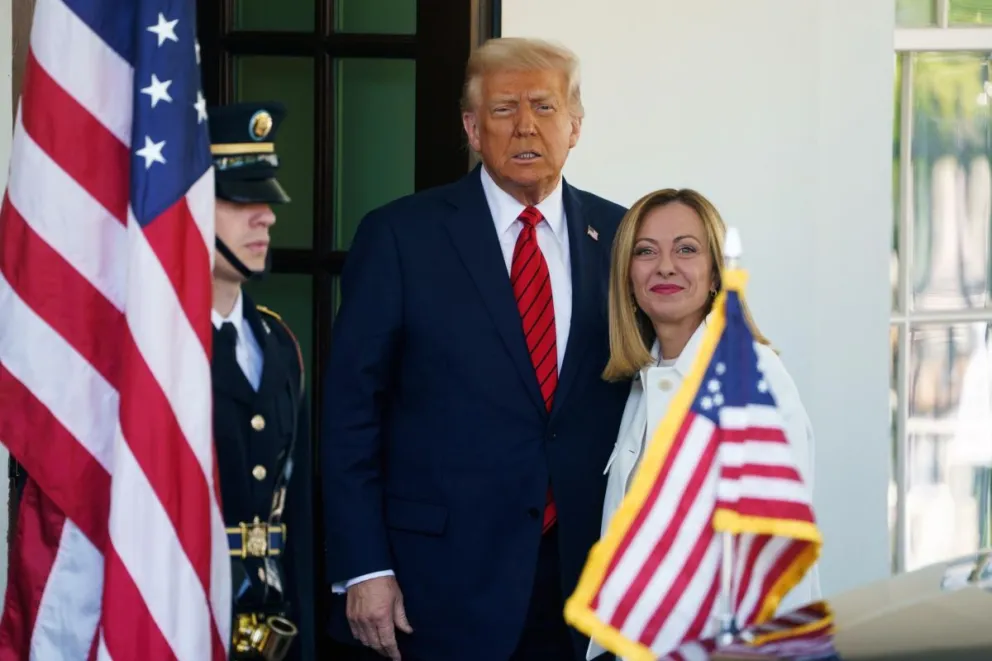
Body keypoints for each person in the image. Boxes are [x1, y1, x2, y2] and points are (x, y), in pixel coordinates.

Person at [321, 37, 630, 661]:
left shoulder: (623, 237)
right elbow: (349, 414)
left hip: (583, 582)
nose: (524, 126)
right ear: (470, 127)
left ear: (575, 127)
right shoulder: (400, 236)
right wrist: (363, 568)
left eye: (544, 107)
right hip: (435, 583)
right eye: (502, 109)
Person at [589, 188, 820, 660]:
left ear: (716, 272)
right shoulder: (642, 384)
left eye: (686, 249)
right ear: (628, 276)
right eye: (645, 251)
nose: (665, 266)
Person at [207, 101, 315, 661]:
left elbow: (296, 509)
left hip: (267, 630)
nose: (266, 217)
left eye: (266, 201)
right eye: (241, 200)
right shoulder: (156, 350)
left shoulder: (277, 343)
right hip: (181, 615)